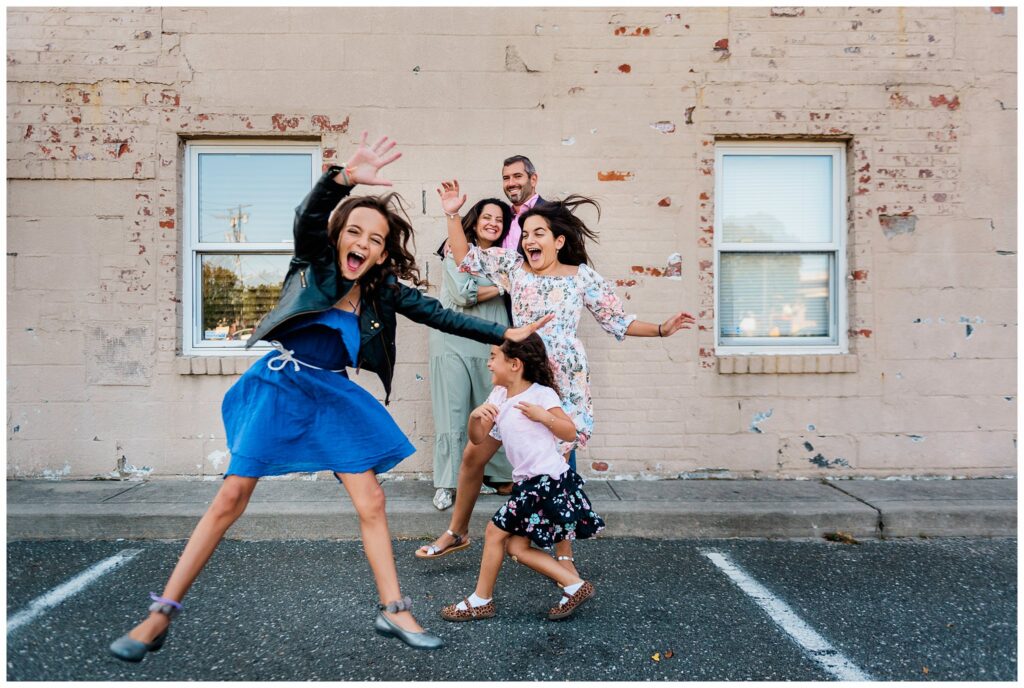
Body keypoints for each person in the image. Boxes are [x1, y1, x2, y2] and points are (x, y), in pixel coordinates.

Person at [108, 133, 553, 661]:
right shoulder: (312, 264)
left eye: (377, 239)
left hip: (332, 394)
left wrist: (507, 335)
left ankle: (394, 610)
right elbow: (307, 215)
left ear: (384, 252)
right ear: (339, 236)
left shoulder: (381, 292)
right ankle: (160, 614)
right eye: (355, 232)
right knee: (231, 499)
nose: (363, 243)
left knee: (372, 500)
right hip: (280, 386)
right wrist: (341, 177)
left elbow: (442, 313)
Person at [417, 180, 694, 578]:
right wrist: (452, 214)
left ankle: (564, 555)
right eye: (525, 234)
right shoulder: (514, 268)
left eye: (538, 234)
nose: (529, 240)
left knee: (558, 465)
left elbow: (618, 320)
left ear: (559, 241)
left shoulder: (582, 278)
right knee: (472, 455)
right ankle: (457, 531)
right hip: (520, 373)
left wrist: (662, 330)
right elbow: (465, 258)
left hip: (563, 380)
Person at [439, 335, 604, 623]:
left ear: (515, 364)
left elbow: (568, 432)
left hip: (546, 481)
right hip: (529, 484)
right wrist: (474, 418)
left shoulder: (541, 395)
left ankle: (481, 600)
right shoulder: (499, 397)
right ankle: (575, 585)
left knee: (493, 532)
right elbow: (478, 440)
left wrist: (544, 417)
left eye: (494, 357)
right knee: (516, 547)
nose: (489, 364)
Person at [428, 198, 515, 510]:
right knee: (452, 413)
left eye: (499, 220)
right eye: (487, 217)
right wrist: (502, 287)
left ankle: (487, 477)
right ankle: (447, 484)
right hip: (452, 339)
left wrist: (501, 284)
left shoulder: (505, 257)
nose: (493, 223)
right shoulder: (457, 248)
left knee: (491, 411)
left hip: (492, 340)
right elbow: (464, 295)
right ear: (475, 220)